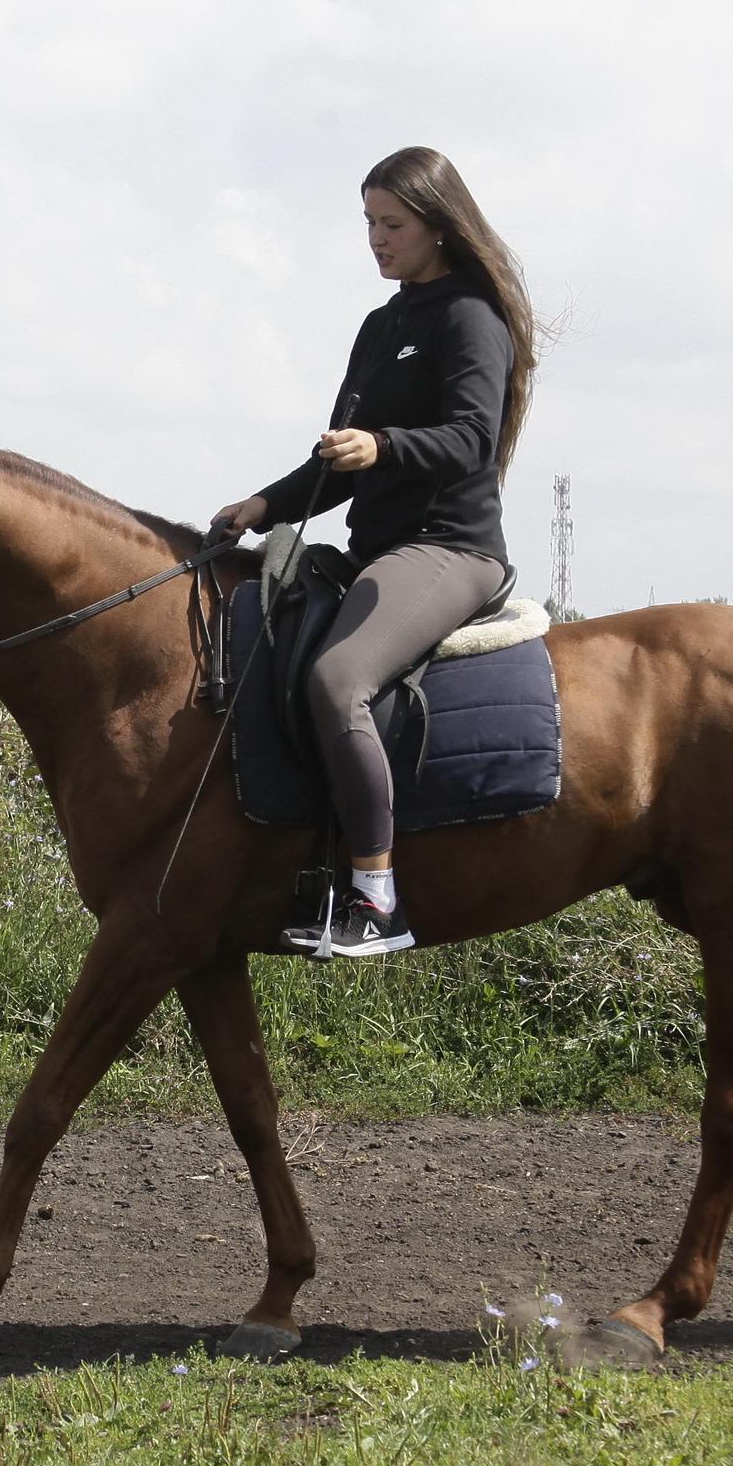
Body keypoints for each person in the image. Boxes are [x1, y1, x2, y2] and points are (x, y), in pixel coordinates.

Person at [213, 146, 537, 958]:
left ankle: (376, 895)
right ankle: (303, 866)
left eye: (391, 224)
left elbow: (469, 439)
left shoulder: (470, 317)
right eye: (368, 222)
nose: (376, 240)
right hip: (377, 549)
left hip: (449, 550)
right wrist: (264, 504)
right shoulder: (381, 325)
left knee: (338, 679)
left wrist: (383, 448)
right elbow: (341, 456)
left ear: (438, 225)